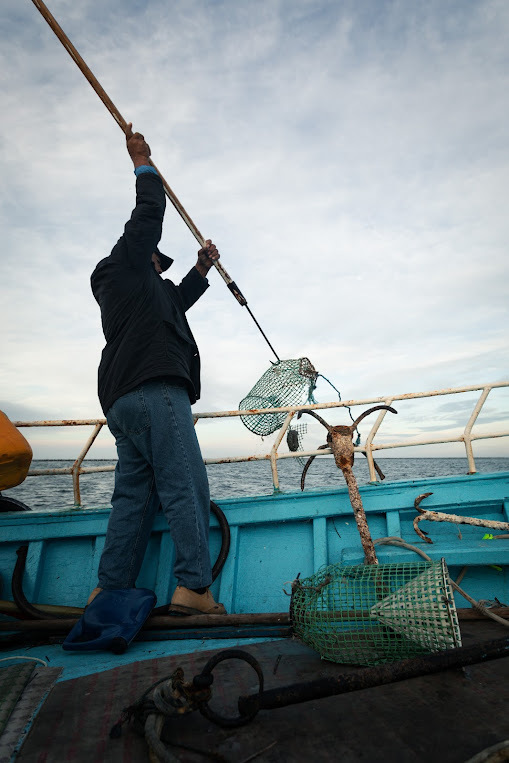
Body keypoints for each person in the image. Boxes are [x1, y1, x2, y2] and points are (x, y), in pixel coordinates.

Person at [89, 124, 226, 615]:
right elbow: (148, 215)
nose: (162, 267)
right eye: (158, 260)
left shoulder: (147, 293)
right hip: (155, 392)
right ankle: (194, 589)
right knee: (186, 484)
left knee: (133, 498)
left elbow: (178, 300)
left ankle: (109, 591)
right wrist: (143, 163)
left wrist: (202, 268)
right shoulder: (126, 264)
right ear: (143, 252)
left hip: (124, 403)